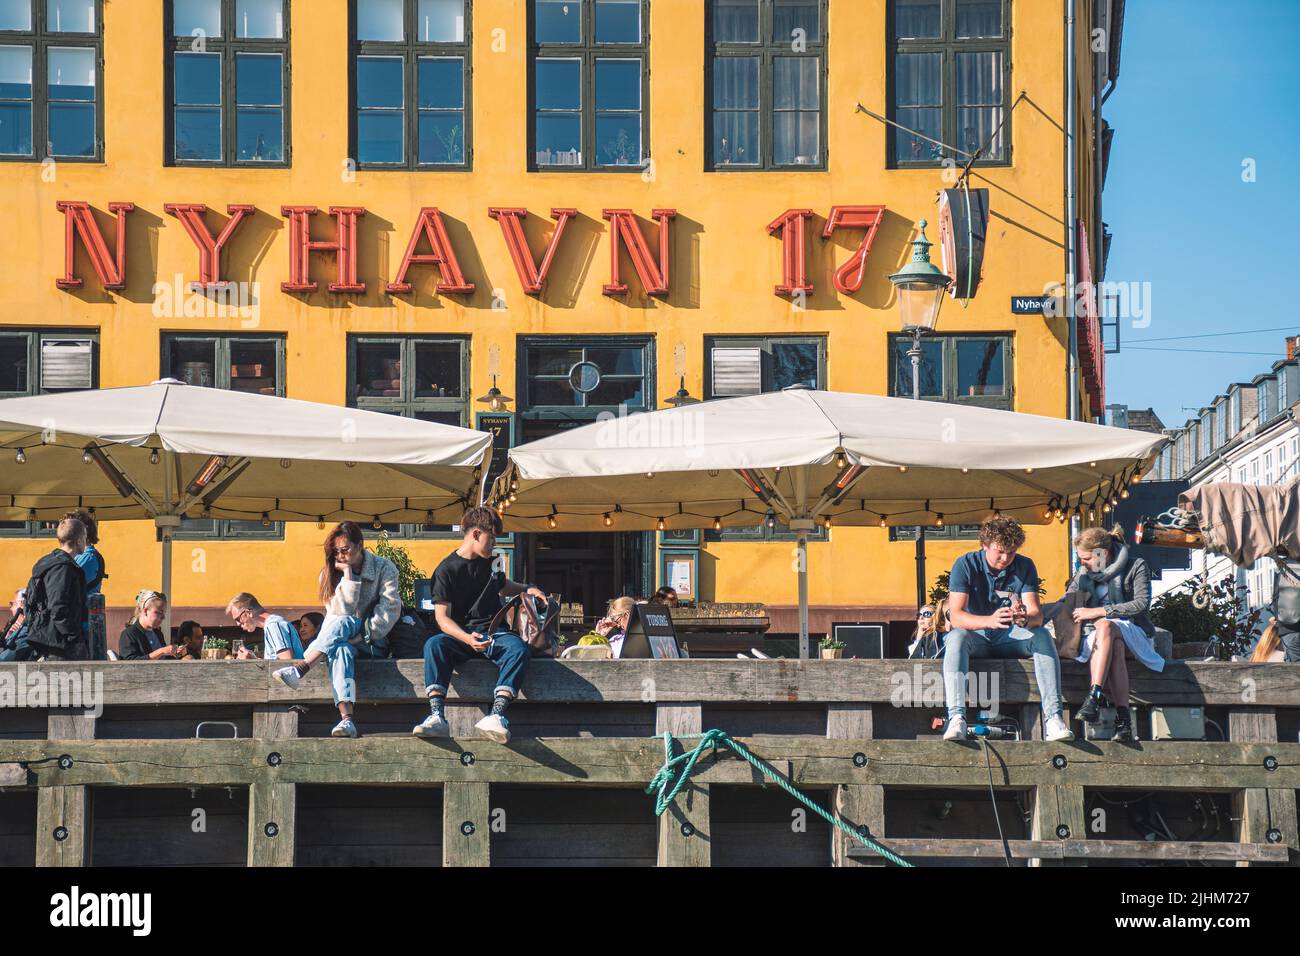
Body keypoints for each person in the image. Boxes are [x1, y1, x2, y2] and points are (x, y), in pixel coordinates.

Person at [412, 506, 547, 744]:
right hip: (461, 636)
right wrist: (467, 639)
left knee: (518, 649)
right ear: (475, 534)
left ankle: (497, 715)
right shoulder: (446, 570)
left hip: (494, 633)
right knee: (434, 645)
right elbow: (442, 619)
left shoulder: (493, 561)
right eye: (492, 538)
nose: (494, 544)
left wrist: (527, 588)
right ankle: (436, 717)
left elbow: (503, 586)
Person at [942, 515, 1074, 743]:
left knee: (1041, 635)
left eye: (1011, 552)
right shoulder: (964, 564)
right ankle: (956, 718)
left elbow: (1036, 614)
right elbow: (956, 616)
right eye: (999, 551)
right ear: (984, 545)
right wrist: (989, 621)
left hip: (1010, 637)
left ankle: (1053, 719)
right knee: (956, 638)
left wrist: (1024, 618)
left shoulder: (1025, 565)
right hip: (978, 638)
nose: (1005, 558)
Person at [272, 521, 401, 738]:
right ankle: (347, 720)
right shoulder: (329, 575)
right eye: (336, 552)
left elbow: (390, 610)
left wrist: (363, 635)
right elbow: (339, 613)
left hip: (372, 641)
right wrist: (348, 577)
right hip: (339, 642)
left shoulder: (384, 568)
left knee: (346, 624)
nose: (340, 556)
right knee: (341, 648)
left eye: (345, 550)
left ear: (359, 545)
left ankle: (301, 668)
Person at [1068, 525, 1162, 742]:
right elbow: (1068, 603)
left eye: (1087, 558)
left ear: (1103, 553)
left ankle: (1095, 695)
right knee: (1113, 644)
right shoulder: (1082, 575)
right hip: (1101, 639)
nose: (1082, 563)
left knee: (1107, 626)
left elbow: (1141, 604)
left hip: (1135, 631)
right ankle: (1124, 721)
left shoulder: (1136, 565)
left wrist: (1101, 611)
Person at [23, 516, 90, 661]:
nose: (86, 542)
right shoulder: (62, 568)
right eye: (84, 537)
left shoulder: (50, 562)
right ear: (78, 540)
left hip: (51, 638)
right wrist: (74, 637)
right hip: (58, 643)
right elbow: (58, 606)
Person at [227, 592, 304, 661]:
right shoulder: (273, 624)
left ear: (248, 613)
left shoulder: (274, 626)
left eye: (237, 619)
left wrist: (254, 661)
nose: (238, 624)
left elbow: (287, 664)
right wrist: (255, 659)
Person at [119, 590, 183, 660]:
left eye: (164, 613)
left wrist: (176, 654)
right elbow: (128, 663)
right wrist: (161, 651)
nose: (163, 617)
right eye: (159, 612)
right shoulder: (129, 634)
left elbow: (164, 660)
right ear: (146, 611)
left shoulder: (157, 633)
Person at [0, 588, 31, 662]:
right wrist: (7, 638)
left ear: (22, 604)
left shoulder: (25, 632)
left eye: (12, 603)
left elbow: (4, 660)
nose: (10, 608)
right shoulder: (21, 630)